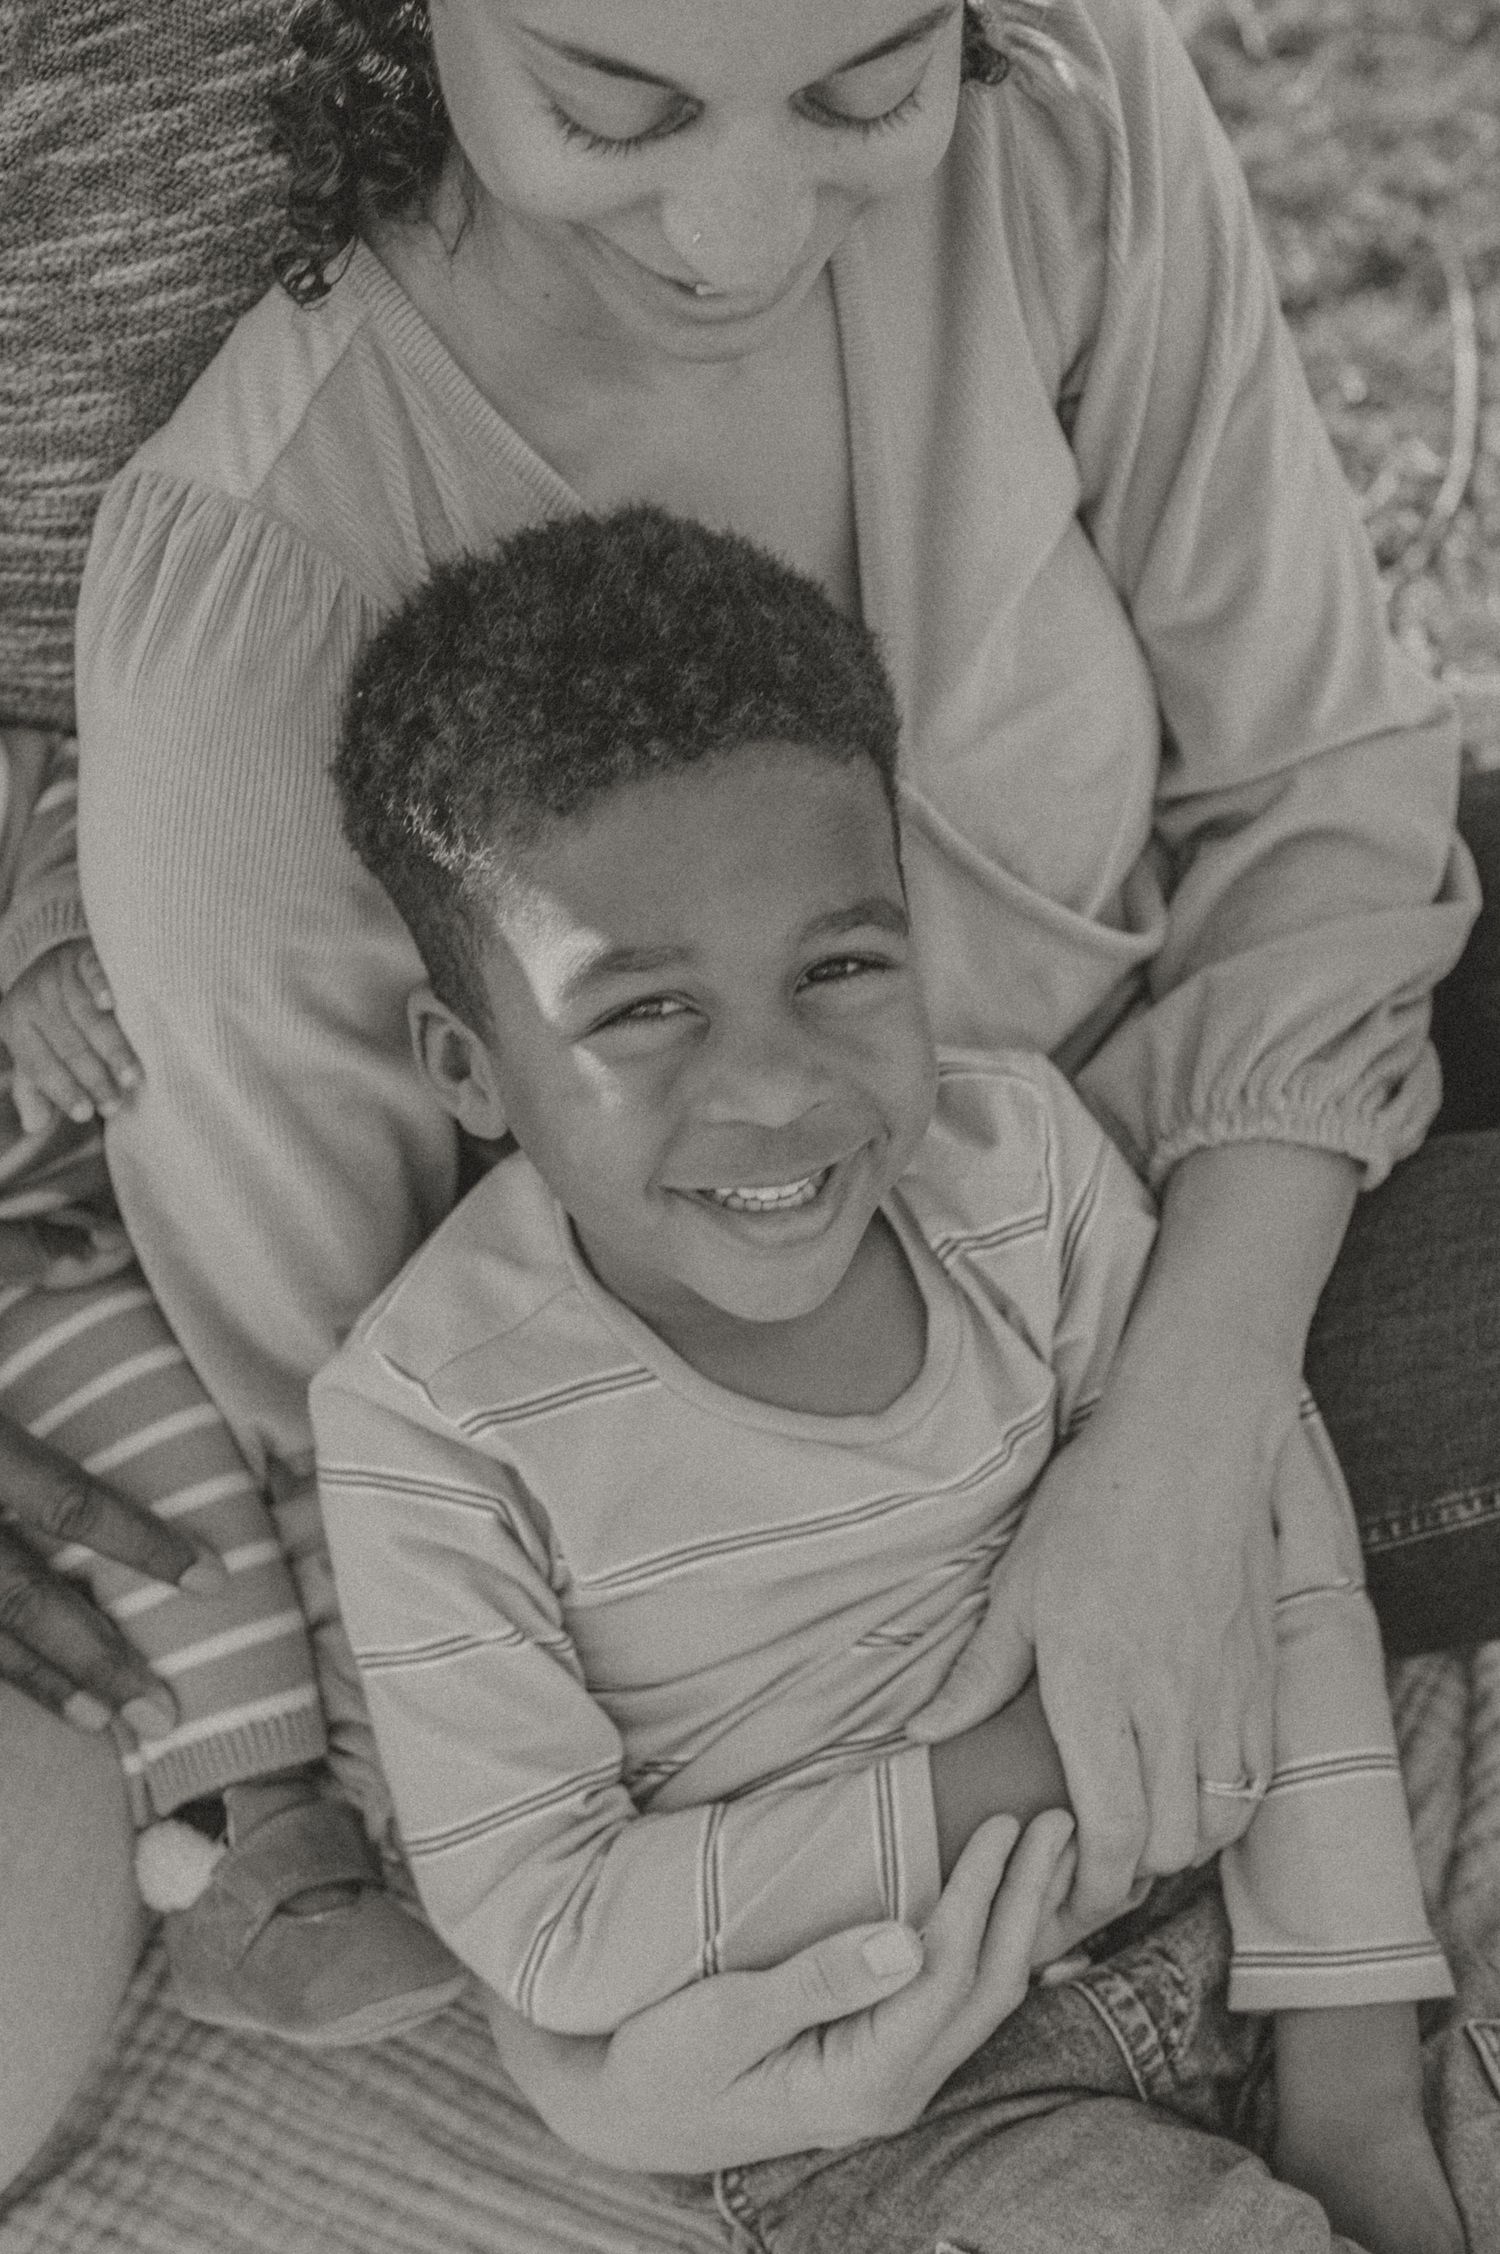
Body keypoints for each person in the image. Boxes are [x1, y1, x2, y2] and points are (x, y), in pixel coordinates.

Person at [8, 0, 1492, 2218]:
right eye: (617, 105)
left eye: (867, 89)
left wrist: (1174, 1443)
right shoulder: (249, 604)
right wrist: (614, 2057)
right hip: (812, 1575)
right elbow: (385, 1488)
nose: (747, 224)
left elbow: (1326, 798)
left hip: (1199, 1218)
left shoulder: (1056, 92)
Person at [314, 504, 1462, 2254]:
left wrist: (1357, 2076)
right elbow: (552, 1926)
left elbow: (1265, 1548)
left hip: (1258, 1930)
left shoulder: (1030, 1174)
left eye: (841, 966)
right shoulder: (430, 1424)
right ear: (469, 1065)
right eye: (642, 1014)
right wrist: (1027, 1764)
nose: (775, 1089)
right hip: (897, 2099)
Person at [0, 728, 465, 2051]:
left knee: (336, 1393)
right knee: (167, 1509)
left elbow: (80, 771)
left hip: (140, 1172)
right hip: (39, 1278)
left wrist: (44, 931)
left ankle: (422, 1755)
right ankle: (256, 1852)